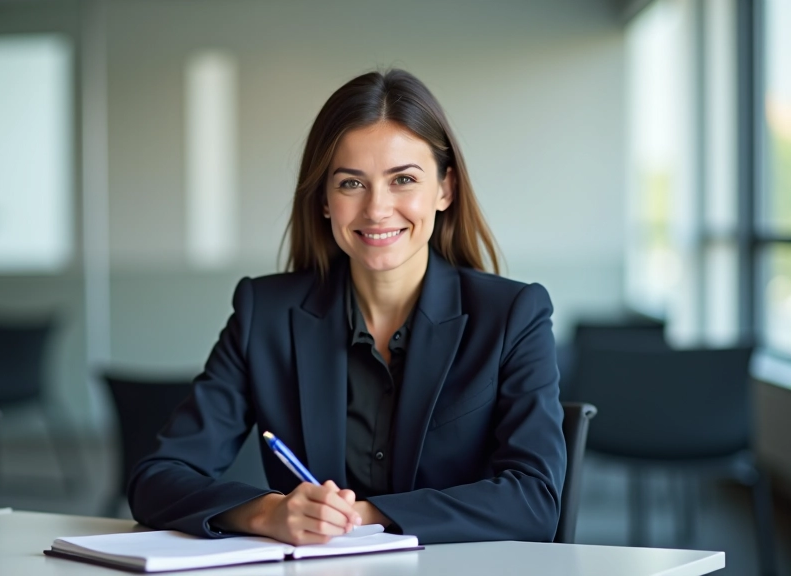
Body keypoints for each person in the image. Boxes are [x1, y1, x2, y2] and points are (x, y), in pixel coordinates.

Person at [128, 69, 566, 546]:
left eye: (403, 179)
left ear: (445, 189)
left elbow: (535, 500)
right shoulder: (265, 314)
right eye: (351, 184)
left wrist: (365, 516)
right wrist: (267, 513)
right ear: (323, 199)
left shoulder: (513, 315)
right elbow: (157, 478)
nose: (376, 209)